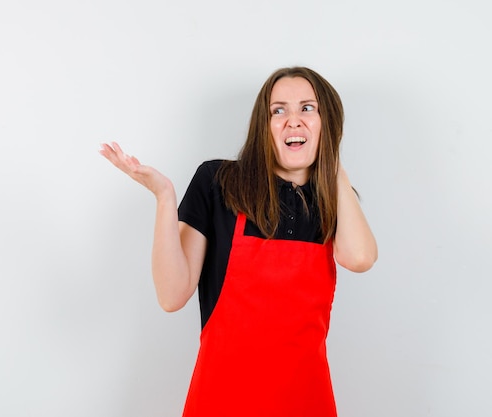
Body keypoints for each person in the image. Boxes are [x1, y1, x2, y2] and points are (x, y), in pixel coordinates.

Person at [99, 66, 377, 416]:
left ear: (328, 124)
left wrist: (332, 165)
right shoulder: (219, 182)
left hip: (305, 402)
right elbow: (172, 295)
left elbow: (360, 258)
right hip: (221, 400)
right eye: (279, 110)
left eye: (308, 108)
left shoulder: (332, 199)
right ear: (264, 126)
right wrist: (164, 197)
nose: (293, 120)